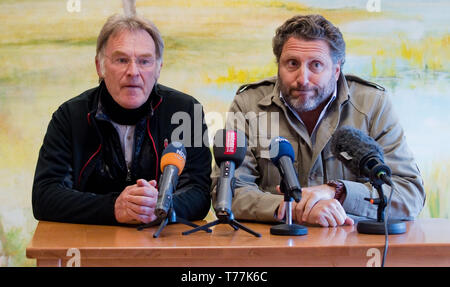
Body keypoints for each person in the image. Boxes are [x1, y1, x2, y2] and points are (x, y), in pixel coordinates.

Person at [214, 14, 425, 227]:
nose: (302, 78)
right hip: (273, 250)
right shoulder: (248, 104)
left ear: (335, 70)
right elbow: (229, 192)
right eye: (292, 63)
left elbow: (409, 193)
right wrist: (293, 209)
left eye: (316, 65)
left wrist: (337, 192)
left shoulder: (373, 105)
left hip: (352, 250)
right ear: (278, 66)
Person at [32, 14, 212, 225]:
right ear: (100, 66)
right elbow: (45, 197)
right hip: (90, 248)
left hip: (164, 248)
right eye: (121, 60)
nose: (133, 72)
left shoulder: (185, 112)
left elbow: (199, 193)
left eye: (144, 61)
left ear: (158, 68)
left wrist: (162, 206)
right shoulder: (70, 117)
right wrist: (113, 207)